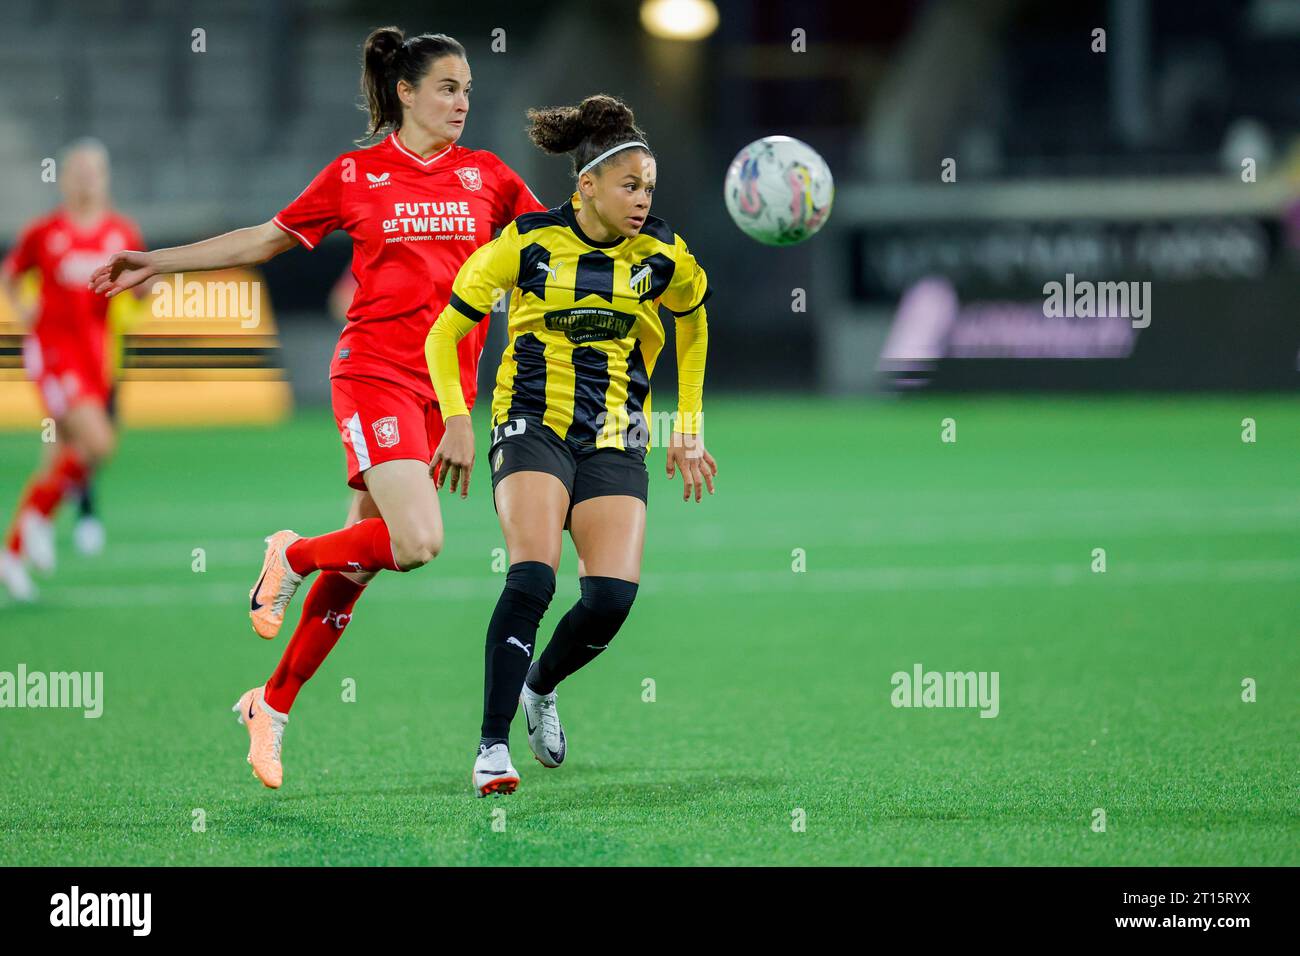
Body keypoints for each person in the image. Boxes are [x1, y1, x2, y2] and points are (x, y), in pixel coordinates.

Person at [88, 27, 544, 789]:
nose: (463, 101)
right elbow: (266, 239)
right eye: (447, 87)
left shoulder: (488, 177)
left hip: (444, 389)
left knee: (362, 560)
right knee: (418, 541)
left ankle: (271, 705)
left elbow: (548, 246)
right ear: (405, 92)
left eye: (467, 88)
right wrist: (159, 259)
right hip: (373, 374)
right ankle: (290, 553)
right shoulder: (358, 173)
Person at [425, 94, 717, 796]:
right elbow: (443, 334)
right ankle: (492, 749)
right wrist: (456, 417)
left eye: (649, 187)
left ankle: (541, 685)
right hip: (533, 425)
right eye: (629, 185)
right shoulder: (524, 244)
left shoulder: (663, 257)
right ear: (586, 186)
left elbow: (694, 322)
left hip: (616, 435)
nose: (643, 199)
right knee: (532, 577)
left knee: (612, 598)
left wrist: (688, 426)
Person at [1, 138, 144, 602]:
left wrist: (148, 286)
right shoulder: (45, 232)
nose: (85, 178)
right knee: (99, 441)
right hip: (53, 352)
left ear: (104, 178)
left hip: (92, 357)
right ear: (63, 178)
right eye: (77, 170)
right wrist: (21, 304)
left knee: (60, 458)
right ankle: (38, 522)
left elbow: (141, 286)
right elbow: (11, 273)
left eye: (93, 171)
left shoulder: (120, 233)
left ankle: (14, 551)